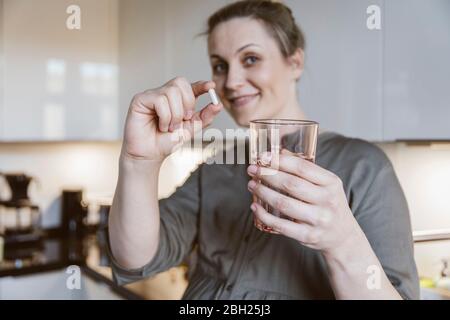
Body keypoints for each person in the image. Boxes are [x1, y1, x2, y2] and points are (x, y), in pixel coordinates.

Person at [108, 0, 419, 299]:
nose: (231, 81)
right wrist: (138, 163)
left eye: (251, 59)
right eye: (219, 65)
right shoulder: (217, 165)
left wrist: (343, 241)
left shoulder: (364, 167)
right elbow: (135, 259)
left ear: (295, 62)